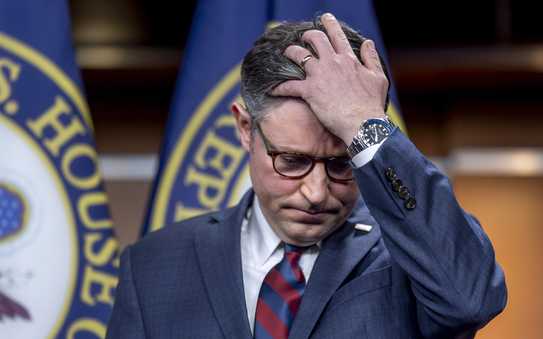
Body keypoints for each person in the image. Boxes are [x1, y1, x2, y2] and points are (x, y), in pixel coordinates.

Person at [107, 13, 507, 339]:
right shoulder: (152, 268)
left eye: (341, 163)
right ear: (246, 129)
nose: (316, 194)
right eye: (293, 161)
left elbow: (470, 300)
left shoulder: (404, 260)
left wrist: (363, 124)